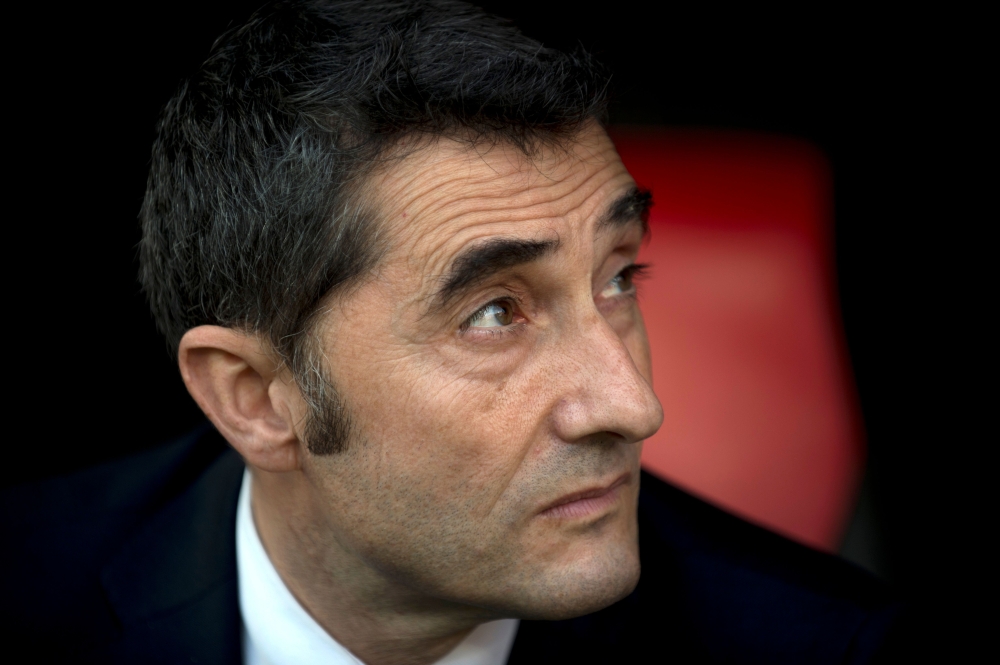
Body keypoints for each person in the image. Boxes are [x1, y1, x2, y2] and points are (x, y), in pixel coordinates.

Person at [1, 1, 904, 662]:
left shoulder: (822, 652)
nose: (633, 405)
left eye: (620, 276)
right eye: (493, 313)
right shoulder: (24, 589)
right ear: (257, 398)